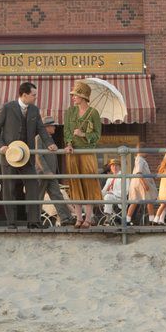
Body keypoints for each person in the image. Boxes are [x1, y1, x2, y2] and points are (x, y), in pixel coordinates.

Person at [0, 81, 57, 229]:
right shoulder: (7, 108)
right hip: (9, 156)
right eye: (33, 95)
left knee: (33, 186)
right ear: (24, 95)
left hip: (27, 156)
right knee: (9, 189)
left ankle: (33, 221)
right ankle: (11, 223)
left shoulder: (34, 110)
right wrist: (1, 146)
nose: (35, 98)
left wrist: (49, 143)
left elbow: (41, 129)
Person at [63, 81, 102, 229]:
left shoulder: (94, 113)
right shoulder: (69, 112)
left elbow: (97, 135)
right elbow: (66, 130)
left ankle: (88, 218)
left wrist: (83, 134)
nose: (73, 97)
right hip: (72, 153)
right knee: (75, 184)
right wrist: (69, 144)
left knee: (88, 183)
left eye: (76, 95)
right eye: (73, 95)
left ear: (84, 97)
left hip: (87, 152)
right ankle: (78, 218)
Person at [35, 116, 74, 226]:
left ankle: (66, 218)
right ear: (46, 127)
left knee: (57, 194)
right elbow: (39, 156)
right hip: (43, 173)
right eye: (53, 125)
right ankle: (35, 221)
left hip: (50, 173)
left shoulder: (49, 138)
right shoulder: (39, 138)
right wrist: (47, 171)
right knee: (39, 197)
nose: (55, 128)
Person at [126, 142, 158, 225]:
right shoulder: (140, 159)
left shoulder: (138, 159)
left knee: (134, 202)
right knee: (149, 200)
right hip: (141, 182)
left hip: (136, 183)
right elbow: (139, 172)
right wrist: (144, 183)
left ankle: (127, 220)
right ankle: (152, 220)